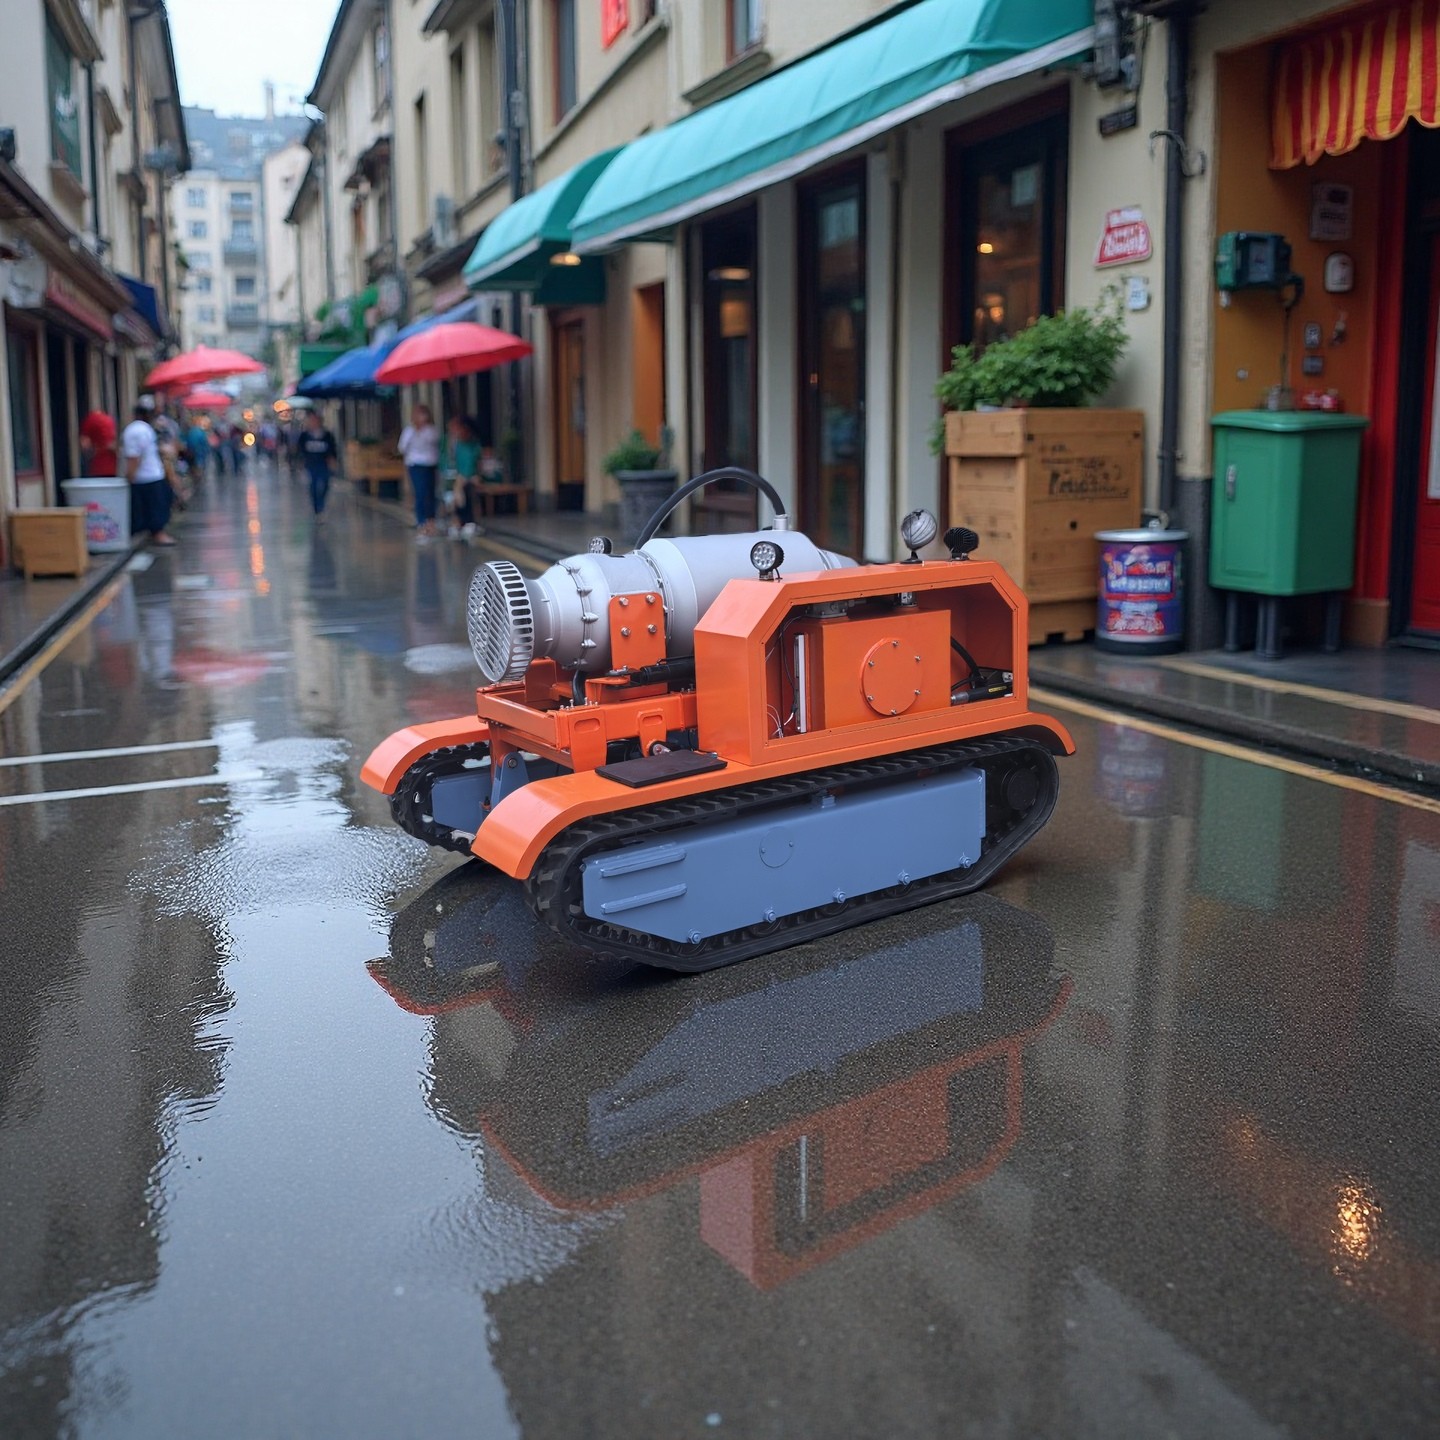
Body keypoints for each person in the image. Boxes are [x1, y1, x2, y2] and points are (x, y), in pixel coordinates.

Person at [122, 395, 176, 546]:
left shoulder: (138, 430)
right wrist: (130, 476)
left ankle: (156, 533)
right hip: (147, 477)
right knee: (154, 510)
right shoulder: (139, 430)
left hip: (147, 476)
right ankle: (157, 534)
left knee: (152, 510)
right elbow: (135, 458)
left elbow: (136, 456)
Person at [397, 403, 441, 537]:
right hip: (415, 464)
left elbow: (435, 442)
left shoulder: (431, 430)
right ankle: (421, 520)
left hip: (430, 463)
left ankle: (431, 520)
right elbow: (402, 448)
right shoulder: (409, 431)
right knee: (420, 492)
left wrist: (422, 432)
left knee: (430, 492)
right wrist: (415, 432)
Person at [443, 415, 482, 536]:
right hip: (457, 476)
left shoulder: (474, 445)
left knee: (464, 490)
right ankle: (457, 521)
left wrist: (470, 476)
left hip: (470, 477)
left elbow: (474, 464)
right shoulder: (455, 445)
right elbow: (450, 462)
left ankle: (468, 521)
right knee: (453, 491)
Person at [298, 409, 338, 520]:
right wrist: (301, 462)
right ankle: (317, 508)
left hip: (323, 464)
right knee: (313, 486)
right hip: (311, 465)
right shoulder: (305, 436)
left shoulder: (327, 435)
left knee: (325, 483)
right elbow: (301, 450)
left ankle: (322, 505)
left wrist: (333, 460)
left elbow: (332, 449)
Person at [78, 409, 118, 477]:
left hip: (96, 465)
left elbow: (84, 444)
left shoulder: (90, 420)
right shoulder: (110, 420)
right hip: (112, 465)